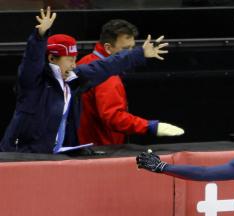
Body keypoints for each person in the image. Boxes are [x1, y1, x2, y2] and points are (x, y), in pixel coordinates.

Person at [0, 7, 168, 154]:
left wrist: (139, 54)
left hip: (56, 155)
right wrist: (39, 36)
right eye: (69, 59)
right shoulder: (33, 84)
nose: (74, 64)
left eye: (75, 58)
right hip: (22, 154)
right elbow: (32, 61)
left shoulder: (74, 80)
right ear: (52, 58)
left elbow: (106, 66)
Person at [77, 19, 184, 146]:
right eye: (126, 49)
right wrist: (150, 126)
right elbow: (113, 118)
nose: (131, 52)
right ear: (108, 48)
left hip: (85, 145)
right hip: (102, 149)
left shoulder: (84, 62)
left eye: (133, 48)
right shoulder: (108, 78)